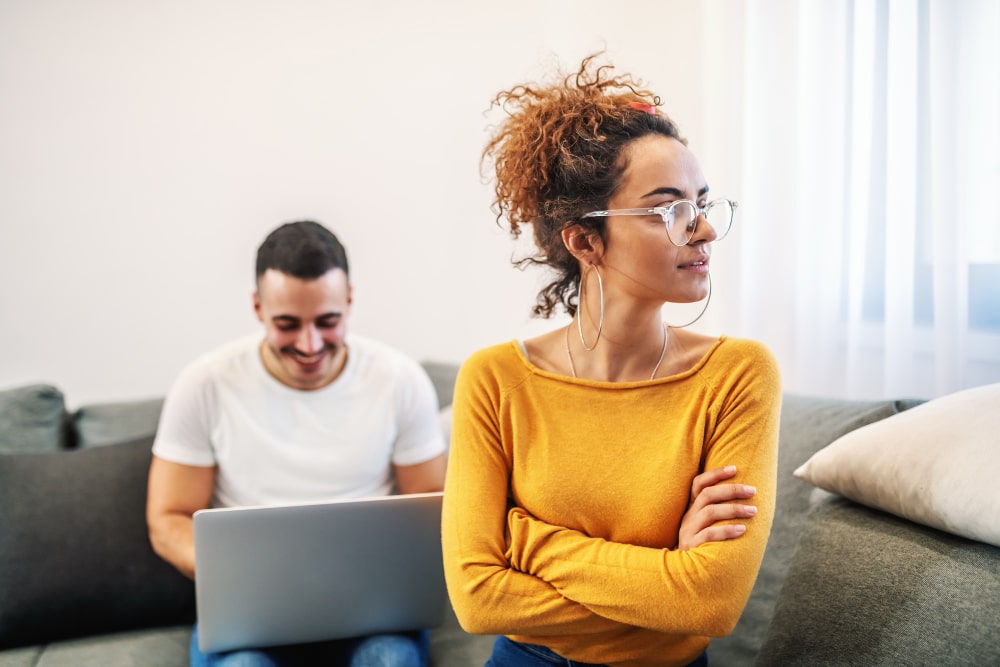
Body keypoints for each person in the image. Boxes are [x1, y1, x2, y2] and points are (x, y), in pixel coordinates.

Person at [441, 55, 781, 667]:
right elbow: (476, 597)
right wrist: (663, 578)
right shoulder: (494, 380)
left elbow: (710, 603)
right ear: (585, 240)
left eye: (702, 203)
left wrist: (531, 542)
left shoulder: (738, 375)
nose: (702, 229)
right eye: (668, 208)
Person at [147, 220, 447, 667]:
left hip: (373, 615)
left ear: (349, 301)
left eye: (328, 322)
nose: (310, 344)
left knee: (389, 661)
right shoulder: (204, 384)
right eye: (287, 324)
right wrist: (239, 577)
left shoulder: (400, 380)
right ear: (257, 307)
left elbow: (431, 505)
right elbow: (166, 519)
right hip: (249, 617)